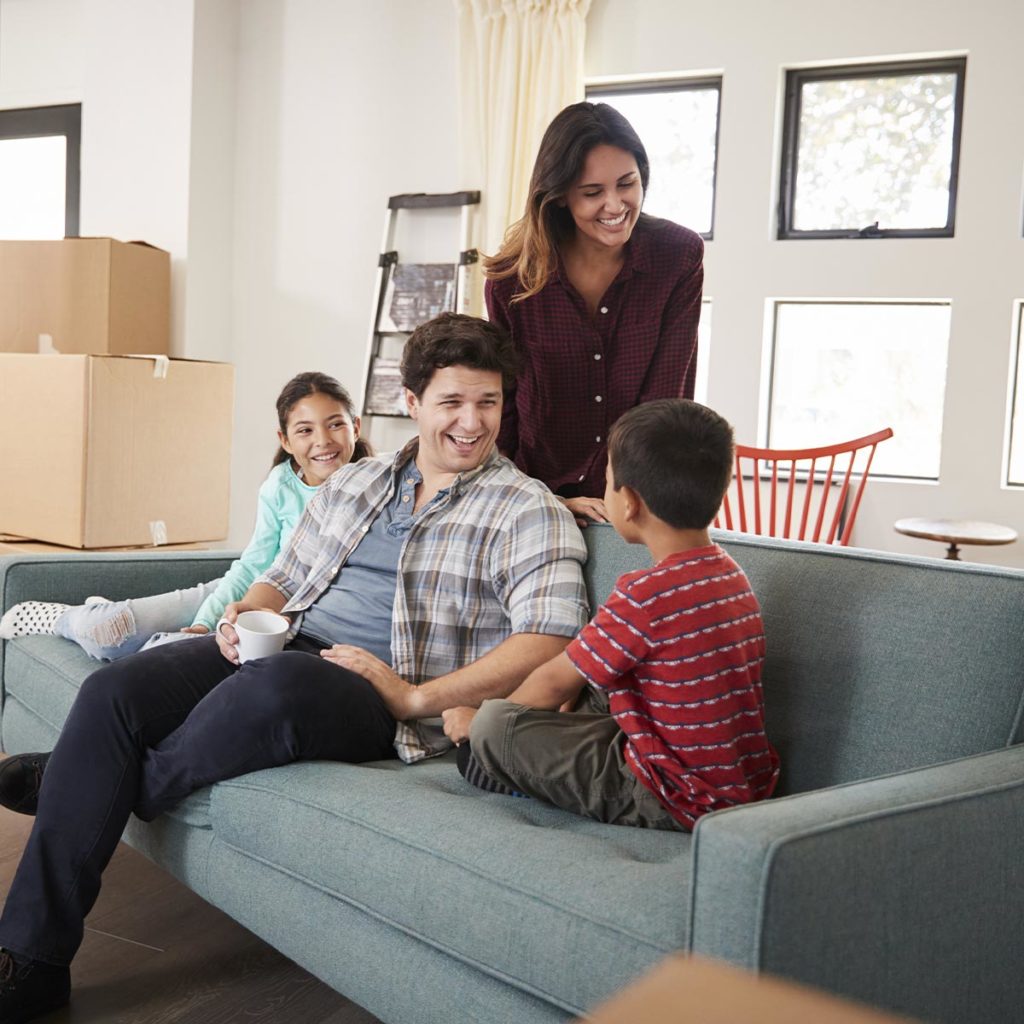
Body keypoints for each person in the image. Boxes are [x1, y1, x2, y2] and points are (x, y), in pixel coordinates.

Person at [0, 313, 588, 1023]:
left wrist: (414, 696)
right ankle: (31, 960)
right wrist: (242, 614)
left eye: (487, 403)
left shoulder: (527, 508)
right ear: (410, 402)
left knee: (271, 690)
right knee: (112, 693)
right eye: (452, 403)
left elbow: (550, 637)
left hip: (376, 689)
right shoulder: (357, 483)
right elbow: (281, 575)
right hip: (280, 645)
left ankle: (77, 777)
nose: (471, 422)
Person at [441, 399, 780, 831]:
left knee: (493, 726)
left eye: (607, 484)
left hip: (671, 796)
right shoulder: (732, 576)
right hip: (733, 780)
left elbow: (551, 682)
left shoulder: (645, 595)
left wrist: (485, 724)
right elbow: (583, 671)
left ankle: (508, 764)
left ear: (631, 503)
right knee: (596, 679)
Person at [0, 371, 370, 660]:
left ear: (355, 426)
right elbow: (251, 565)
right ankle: (70, 618)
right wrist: (204, 621)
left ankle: (153, 643)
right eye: (305, 430)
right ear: (286, 441)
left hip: (274, 619)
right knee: (108, 630)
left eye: (335, 423)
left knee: (162, 659)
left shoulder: (378, 489)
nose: (323, 440)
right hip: (239, 594)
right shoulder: (280, 486)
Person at [484, 101, 704, 525]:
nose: (615, 205)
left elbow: (666, 393)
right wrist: (535, 500)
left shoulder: (678, 256)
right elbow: (504, 410)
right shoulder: (511, 281)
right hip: (534, 500)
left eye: (627, 184)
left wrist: (623, 498)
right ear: (561, 195)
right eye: (591, 193)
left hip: (636, 495)